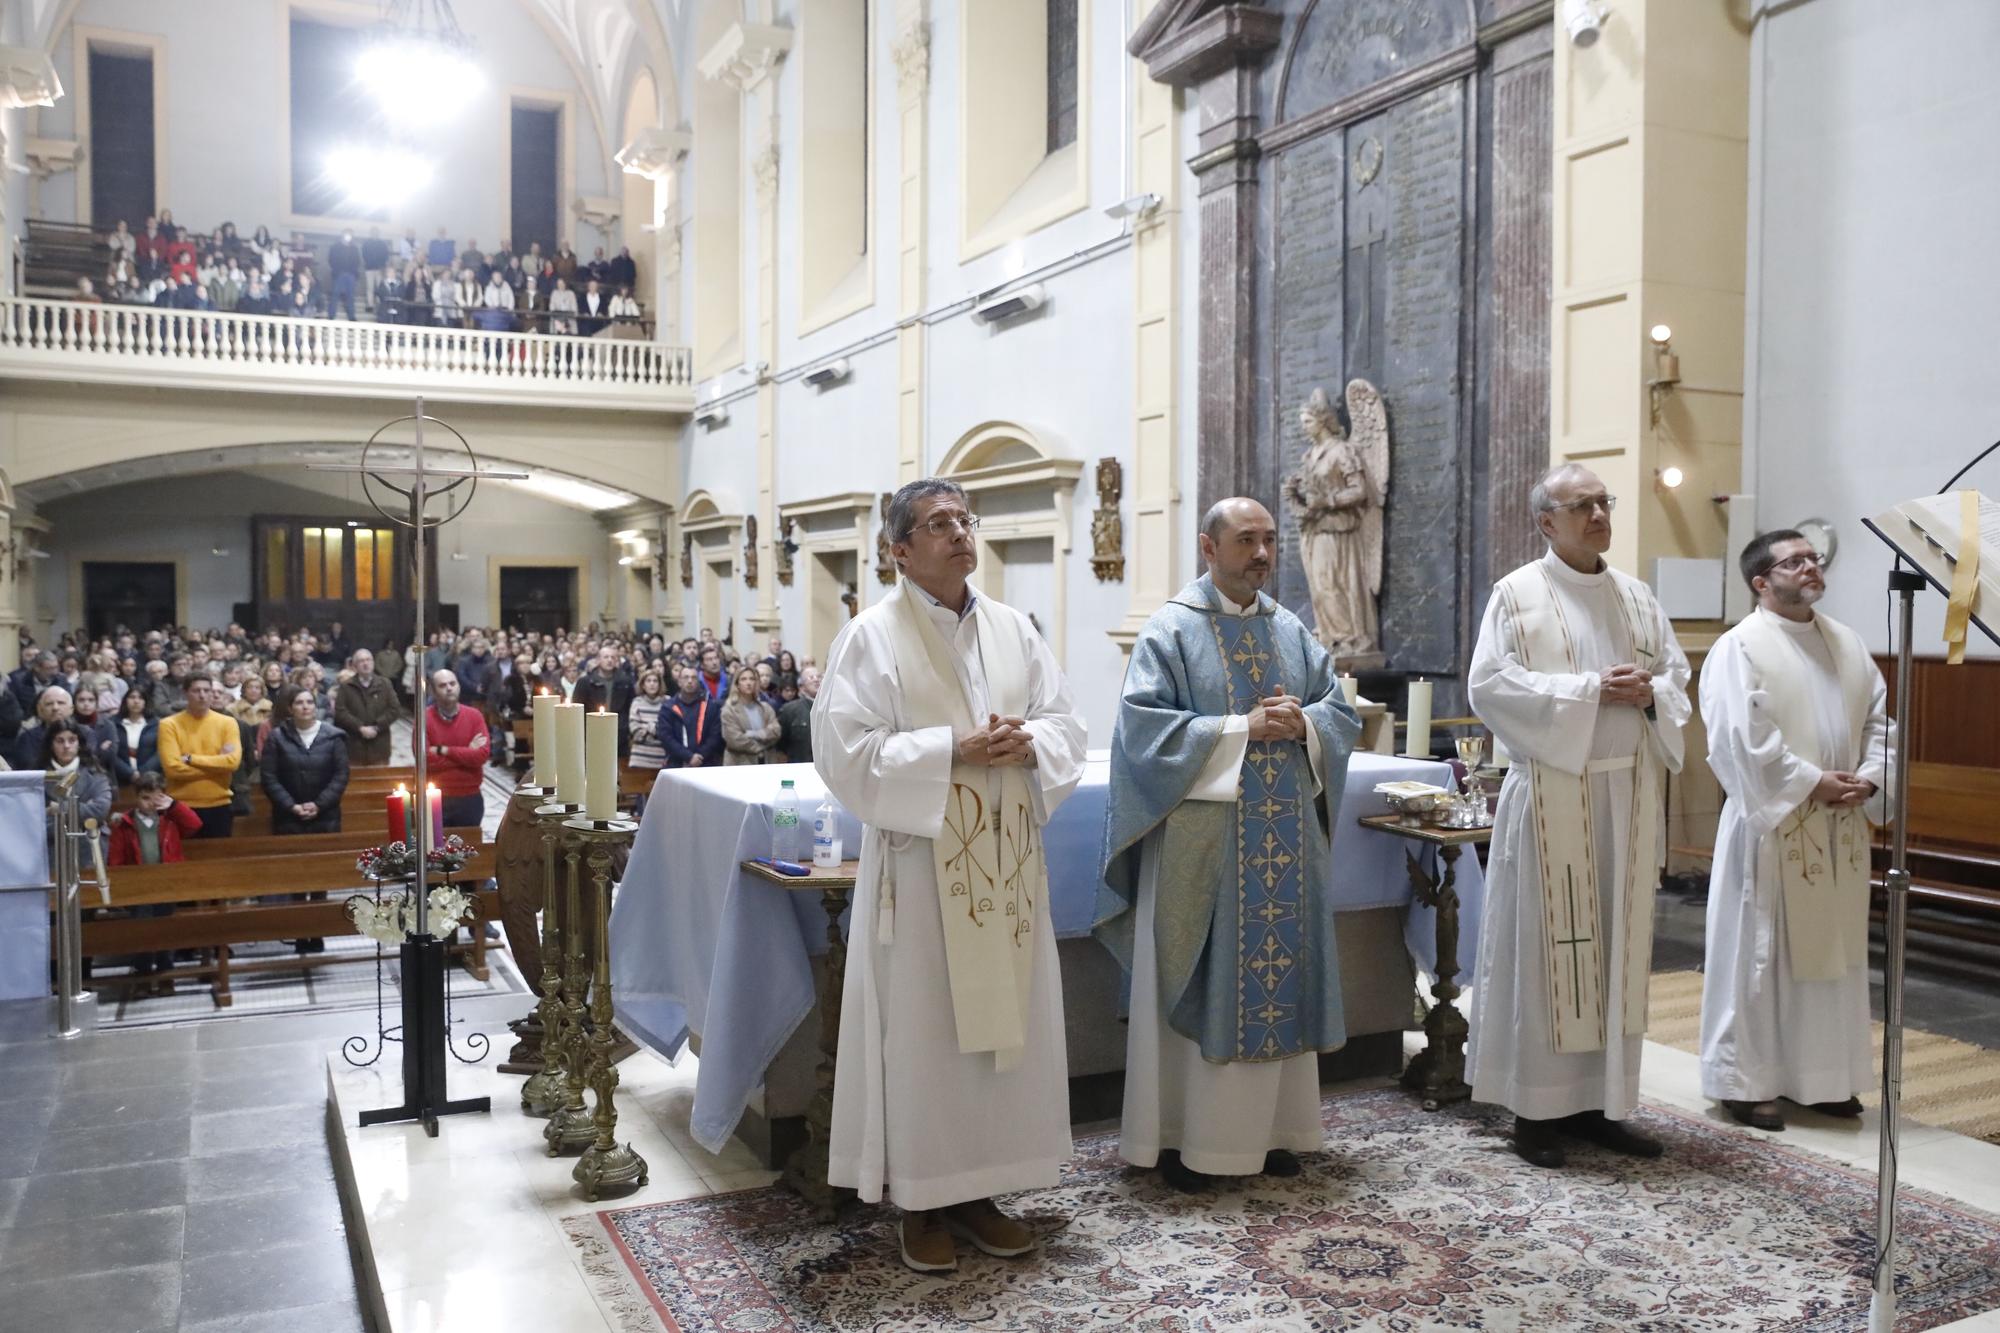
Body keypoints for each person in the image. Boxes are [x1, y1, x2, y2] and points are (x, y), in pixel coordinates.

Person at [812, 477, 1088, 1273]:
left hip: (1005, 872)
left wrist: (1029, 742)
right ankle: (924, 1199)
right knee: (929, 1032)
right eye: (938, 524)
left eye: (965, 520)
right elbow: (845, 753)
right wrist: (950, 750)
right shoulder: (870, 636)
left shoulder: (1012, 628)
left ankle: (984, 1188)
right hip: (923, 874)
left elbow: (1066, 721)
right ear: (898, 549)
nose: (961, 533)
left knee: (1003, 1041)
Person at [1097, 498, 1361, 1191]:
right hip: (1203, 849)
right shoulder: (1171, 631)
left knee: (1279, 981)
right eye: (1247, 540)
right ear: (1209, 549)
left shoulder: (1291, 629)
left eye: (1270, 540)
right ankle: (1189, 1138)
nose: (1263, 553)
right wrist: (1242, 728)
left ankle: (1273, 1131)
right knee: (1205, 981)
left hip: (1281, 842)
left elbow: (1339, 710)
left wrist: (1304, 723)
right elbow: (1144, 733)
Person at [1467, 464, 1691, 1168]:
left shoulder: (1636, 597)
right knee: (1547, 952)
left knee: (1616, 955)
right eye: (1581, 504)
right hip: (1553, 797)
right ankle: (1537, 1107)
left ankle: (1602, 1102)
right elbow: (1491, 684)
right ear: (1547, 522)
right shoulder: (1517, 594)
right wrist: (1592, 689)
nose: (1598, 513)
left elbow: (1677, 679)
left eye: (1603, 502)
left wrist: (1652, 694)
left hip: (1625, 800)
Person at [1699, 530, 1894, 1131]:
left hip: (1838, 827)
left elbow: (1880, 721)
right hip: (1774, 826)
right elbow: (1739, 738)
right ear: (1763, 582)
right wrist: (1812, 782)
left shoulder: (1846, 641)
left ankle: (1820, 1079)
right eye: (1795, 561)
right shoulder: (1741, 647)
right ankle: (1745, 1082)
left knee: (1831, 957)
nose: (1811, 566)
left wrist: (1869, 778)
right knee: (1758, 957)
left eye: (1813, 558)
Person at [107, 771, 201, 993]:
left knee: (165, 929)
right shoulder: (126, 823)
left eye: (156, 798)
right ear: (136, 797)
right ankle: (143, 977)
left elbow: (195, 825)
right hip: (138, 888)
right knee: (143, 931)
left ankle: (166, 975)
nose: (150, 804)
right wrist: (122, 887)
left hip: (167, 884)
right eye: (145, 798)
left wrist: (173, 805)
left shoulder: (169, 819)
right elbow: (116, 859)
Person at [159, 677, 242, 838]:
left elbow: (232, 762)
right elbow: (172, 769)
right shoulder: (169, 724)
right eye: (196, 691)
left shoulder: (228, 723)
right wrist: (218, 768)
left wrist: (191, 759)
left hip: (219, 804)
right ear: (185, 693)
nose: (202, 695)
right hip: (181, 805)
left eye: (207, 690)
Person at [262, 686, 348, 835]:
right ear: (290, 708)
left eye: (309, 702)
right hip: (287, 816)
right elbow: (269, 777)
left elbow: (341, 775)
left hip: (326, 815)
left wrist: (319, 805)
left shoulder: (334, 736)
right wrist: (291, 806)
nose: (305, 706)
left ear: (315, 707)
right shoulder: (276, 737)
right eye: (299, 703)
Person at [425, 669, 489, 830]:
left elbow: (481, 756)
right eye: (442, 685)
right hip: (437, 797)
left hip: (470, 797)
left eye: (452, 683)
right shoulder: (424, 718)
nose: (449, 688)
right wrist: (467, 751)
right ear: (433, 691)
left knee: (470, 849)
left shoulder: (474, 716)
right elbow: (426, 759)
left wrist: (444, 750)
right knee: (437, 852)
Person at [336, 648, 399, 766]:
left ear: (373, 663)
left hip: (380, 745)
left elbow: (394, 709)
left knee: (380, 782)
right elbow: (340, 712)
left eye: (368, 660)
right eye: (361, 661)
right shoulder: (346, 686)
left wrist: (377, 726)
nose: (365, 663)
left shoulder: (385, 684)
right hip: (355, 748)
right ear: (355, 666)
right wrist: (359, 727)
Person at [574, 644, 636, 757]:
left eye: (613, 657)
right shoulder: (585, 682)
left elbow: (629, 707)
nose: (610, 660)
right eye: (606, 657)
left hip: (618, 733)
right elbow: (577, 709)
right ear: (598, 660)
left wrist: (624, 727)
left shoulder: (625, 682)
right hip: (592, 732)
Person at [661, 664, 723, 769]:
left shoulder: (710, 707)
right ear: (679, 682)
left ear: (698, 682)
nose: (690, 681)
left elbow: (715, 735)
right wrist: (688, 757)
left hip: (706, 763)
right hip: (676, 764)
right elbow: (666, 737)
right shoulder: (668, 707)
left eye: (694, 677)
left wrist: (699, 757)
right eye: (686, 677)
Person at [721, 666, 781, 766]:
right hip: (740, 763)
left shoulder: (765, 708)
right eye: (743, 679)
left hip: (767, 762)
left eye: (752, 679)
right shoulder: (729, 710)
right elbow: (734, 739)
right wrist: (760, 748)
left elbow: (776, 731)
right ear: (737, 684)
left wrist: (753, 734)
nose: (748, 683)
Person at [111, 689, 160, 785]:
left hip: (151, 780)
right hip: (120, 779)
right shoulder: (113, 723)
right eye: (132, 697)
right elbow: (111, 753)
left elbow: (160, 753)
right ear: (125, 700)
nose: (136, 701)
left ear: (146, 702)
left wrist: (142, 773)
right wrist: (129, 773)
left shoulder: (157, 724)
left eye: (140, 698)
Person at [627, 667, 669, 771]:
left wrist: (646, 729)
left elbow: (667, 731)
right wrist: (654, 728)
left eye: (655, 681)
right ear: (643, 685)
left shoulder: (667, 702)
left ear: (660, 684)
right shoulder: (637, 702)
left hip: (661, 759)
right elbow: (635, 733)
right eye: (648, 681)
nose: (652, 684)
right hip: (639, 758)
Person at [776, 666, 818, 763]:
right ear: (802, 687)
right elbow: (781, 743)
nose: (816, 680)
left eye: (819, 677)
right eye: (811, 677)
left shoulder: (832, 710)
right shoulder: (789, 710)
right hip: (800, 766)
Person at [328, 230, 362, 319]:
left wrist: (353, 272)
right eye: (346, 235)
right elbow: (331, 260)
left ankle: (351, 317)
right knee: (335, 295)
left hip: (351, 275)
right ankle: (331, 316)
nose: (348, 237)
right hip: (339, 274)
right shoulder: (335, 247)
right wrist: (338, 270)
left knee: (350, 296)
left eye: (350, 235)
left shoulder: (354, 248)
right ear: (342, 235)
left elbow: (357, 261)